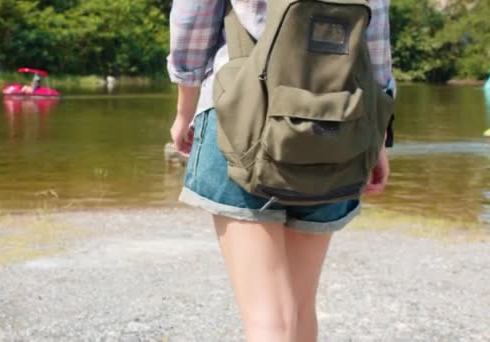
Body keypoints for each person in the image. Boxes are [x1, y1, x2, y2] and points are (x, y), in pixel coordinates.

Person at [167, 0, 395, 341]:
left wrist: (185, 108)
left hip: (239, 115)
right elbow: (374, 38)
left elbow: (193, 16)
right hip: (336, 123)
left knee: (267, 319)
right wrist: (377, 137)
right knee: (300, 308)